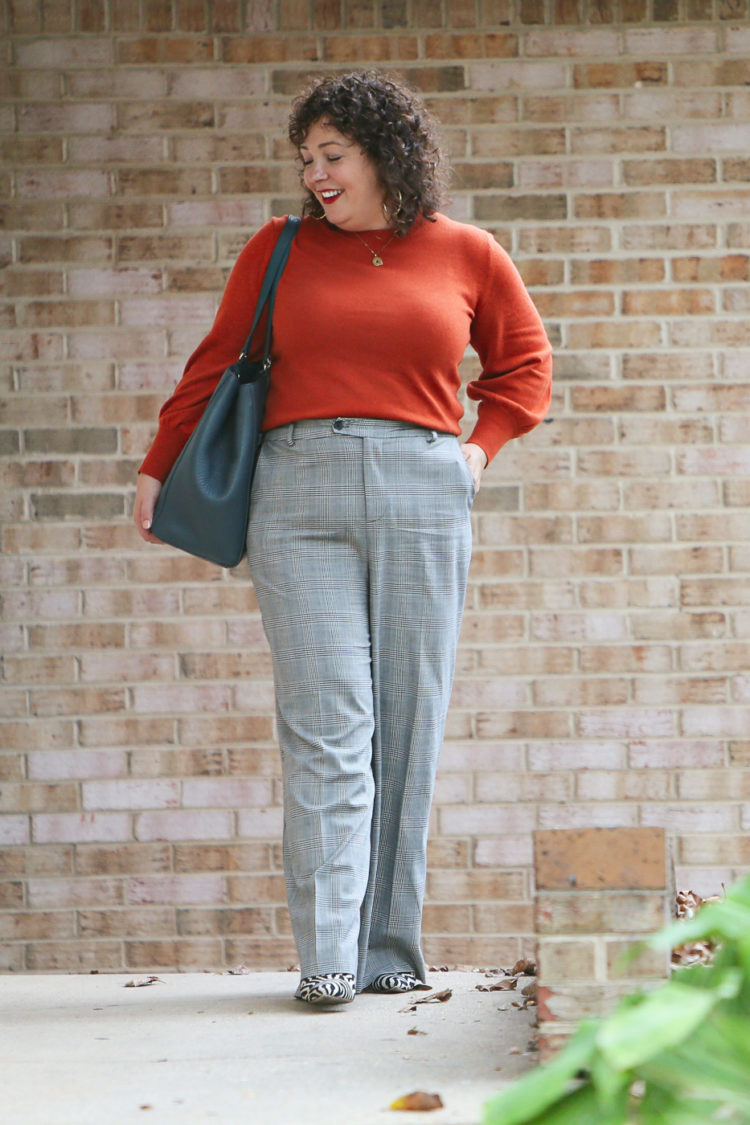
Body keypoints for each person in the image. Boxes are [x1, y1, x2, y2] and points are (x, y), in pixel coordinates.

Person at [135, 70, 552, 1007]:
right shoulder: (277, 248)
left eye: (334, 155)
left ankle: (387, 951)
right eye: (306, 160)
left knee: (411, 720)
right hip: (298, 495)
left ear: (386, 153)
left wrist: (475, 455)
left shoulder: (467, 252)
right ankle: (328, 955)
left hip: (424, 484)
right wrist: (157, 465)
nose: (317, 174)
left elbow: (524, 370)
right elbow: (213, 363)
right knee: (327, 722)